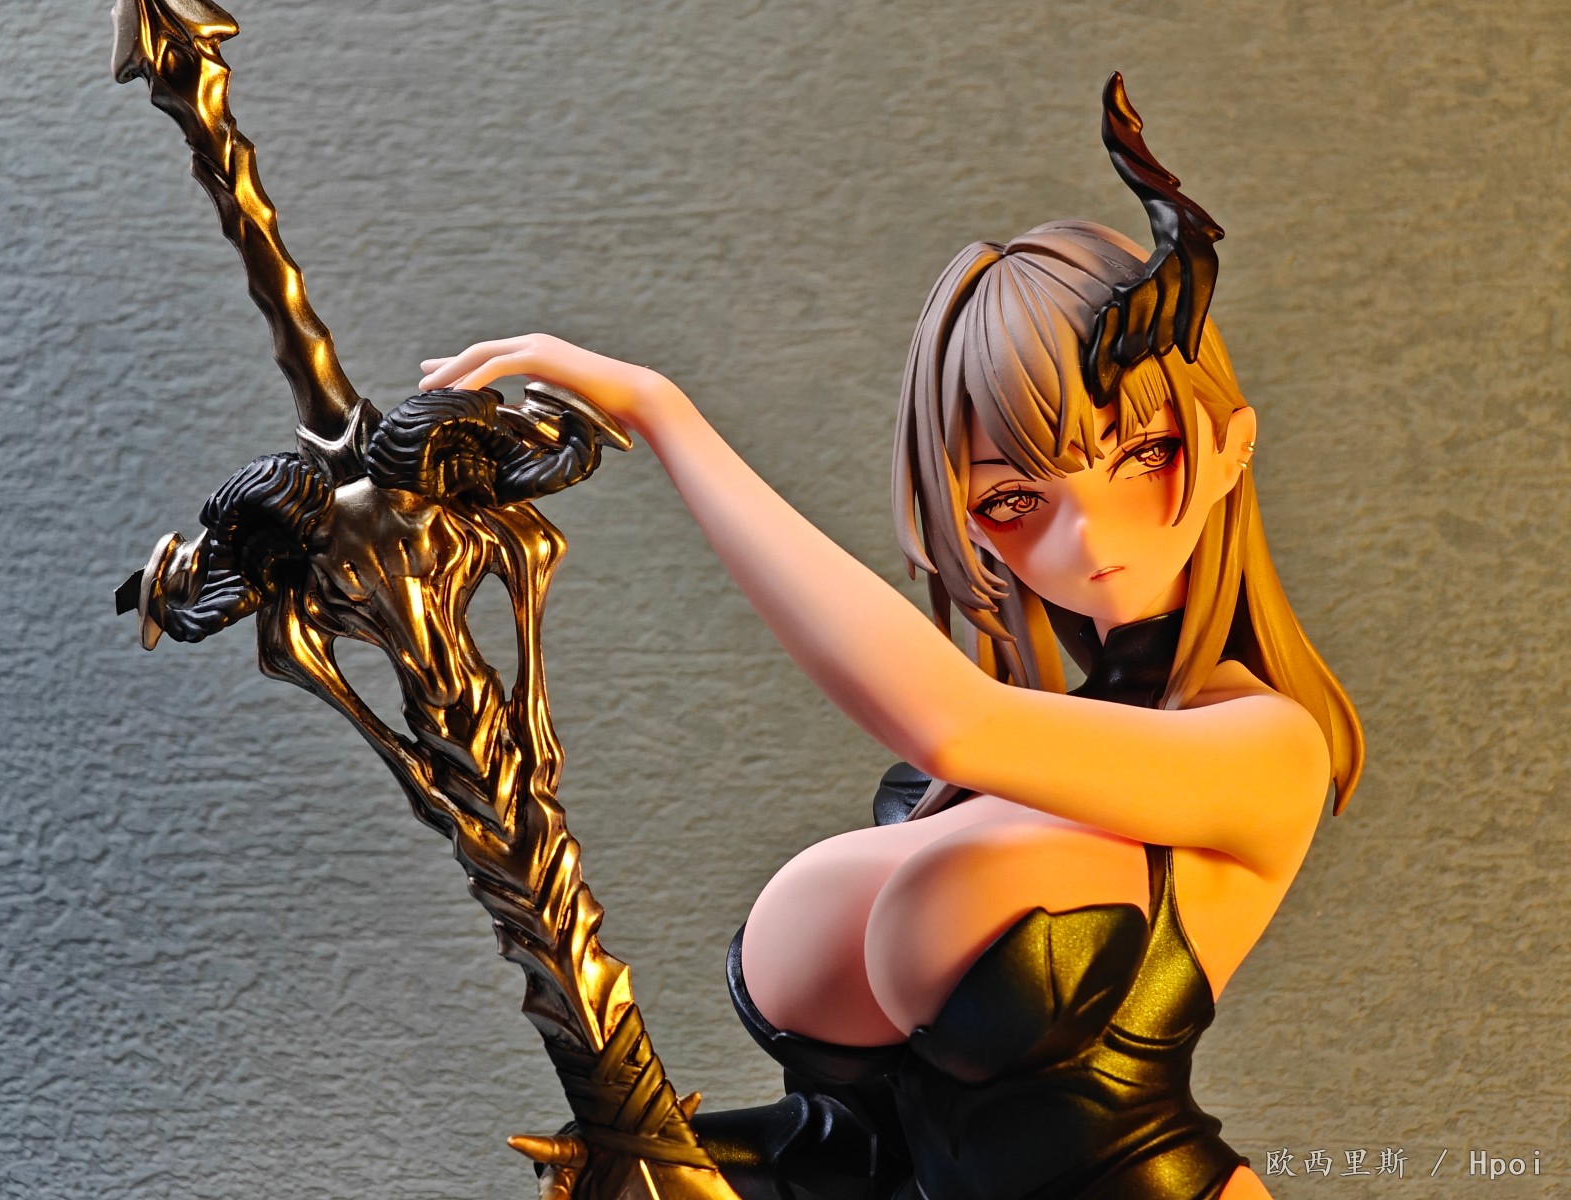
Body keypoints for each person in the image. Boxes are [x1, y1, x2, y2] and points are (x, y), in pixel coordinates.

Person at [419, 77, 1362, 1200]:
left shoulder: (1262, 750)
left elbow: (953, 719)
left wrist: (667, 418)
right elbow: (861, 1150)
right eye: (1015, 499)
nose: (1090, 533)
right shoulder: (950, 791)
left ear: (1231, 446)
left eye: (1141, 454)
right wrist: (665, 1155)